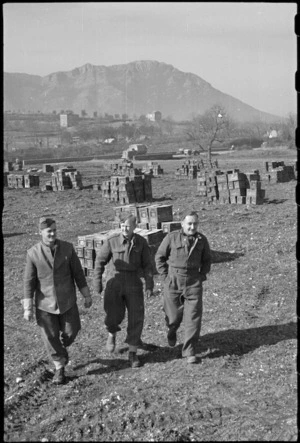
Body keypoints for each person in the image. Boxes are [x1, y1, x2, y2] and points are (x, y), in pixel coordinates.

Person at [23, 217, 93, 384]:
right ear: (41, 233)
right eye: (49, 231)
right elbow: (28, 282)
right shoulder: (33, 253)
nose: (53, 233)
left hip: (67, 301)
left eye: (54, 230)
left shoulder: (67, 248)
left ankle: (62, 349)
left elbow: (78, 273)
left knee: (72, 330)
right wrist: (28, 307)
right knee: (50, 336)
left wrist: (86, 295)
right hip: (45, 304)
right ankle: (59, 369)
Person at [93, 213, 154, 368]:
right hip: (115, 283)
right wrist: (97, 283)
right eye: (122, 226)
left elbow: (147, 265)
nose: (125, 228)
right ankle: (111, 334)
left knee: (136, 316)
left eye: (128, 225)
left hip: (134, 283)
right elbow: (99, 261)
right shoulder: (112, 241)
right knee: (113, 315)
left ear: (135, 226)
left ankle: (133, 352)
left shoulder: (141, 243)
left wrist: (149, 285)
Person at [155, 210, 211, 364]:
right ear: (182, 224)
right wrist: (165, 276)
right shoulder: (172, 238)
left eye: (195, 224)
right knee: (172, 315)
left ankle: (189, 351)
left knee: (193, 318)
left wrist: (202, 275)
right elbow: (159, 257)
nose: (192, 227)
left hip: (193, 282)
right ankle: (172, 329)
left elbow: (207, 260)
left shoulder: (202, 240)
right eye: (189, 224)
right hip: (173, 279)